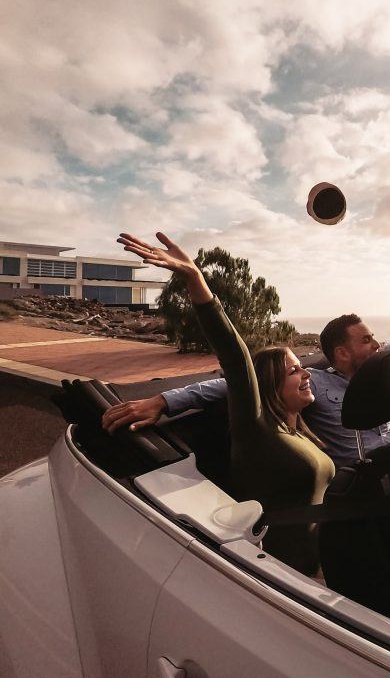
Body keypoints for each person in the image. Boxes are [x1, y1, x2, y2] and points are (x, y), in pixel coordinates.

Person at [114, 231, 335, 575]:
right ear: (270, 384)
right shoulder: (258, 430)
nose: (306, 375)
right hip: (278, 577)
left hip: (318, 569)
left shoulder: (300, 431)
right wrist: (195, 278)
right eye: (294, 370)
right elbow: (235, 356)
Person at [101, 278, 390, 468]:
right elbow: (233, 384)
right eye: (366, 340)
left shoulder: (382, 371)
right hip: (358, 486)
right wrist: (163, 400)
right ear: (341, 352)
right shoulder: (316, 384)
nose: (376, 345)